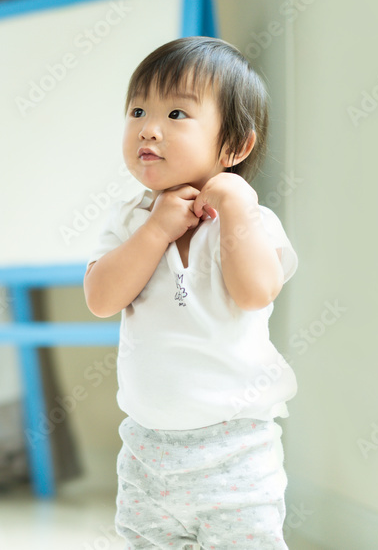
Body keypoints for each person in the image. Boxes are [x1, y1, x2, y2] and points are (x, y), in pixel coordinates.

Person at [83, 36, 299, 549]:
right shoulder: (130, 222)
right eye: (138, 110)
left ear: (235, 147)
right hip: (147, 449)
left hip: (235, 450)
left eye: (177, 113)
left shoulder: (251, 221)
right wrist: (155, 231)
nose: (148, 128)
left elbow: (256, 292)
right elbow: (101, 298)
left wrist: (238, 205)